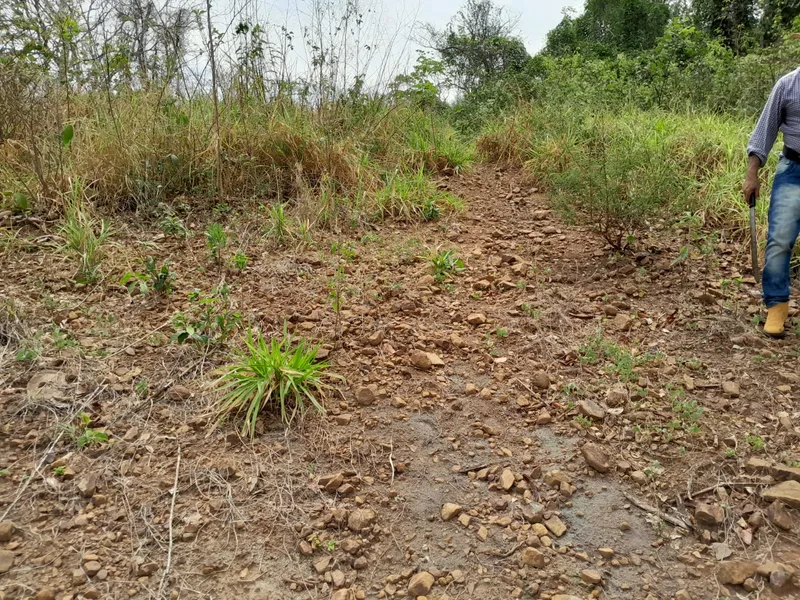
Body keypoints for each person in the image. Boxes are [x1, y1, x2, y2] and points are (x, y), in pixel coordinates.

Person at [745, 65, 800, 338]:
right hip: (794, 170)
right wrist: (752, 173)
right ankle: (777, 305)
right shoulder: (787, 85)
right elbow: (764, 131)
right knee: (780, 238)